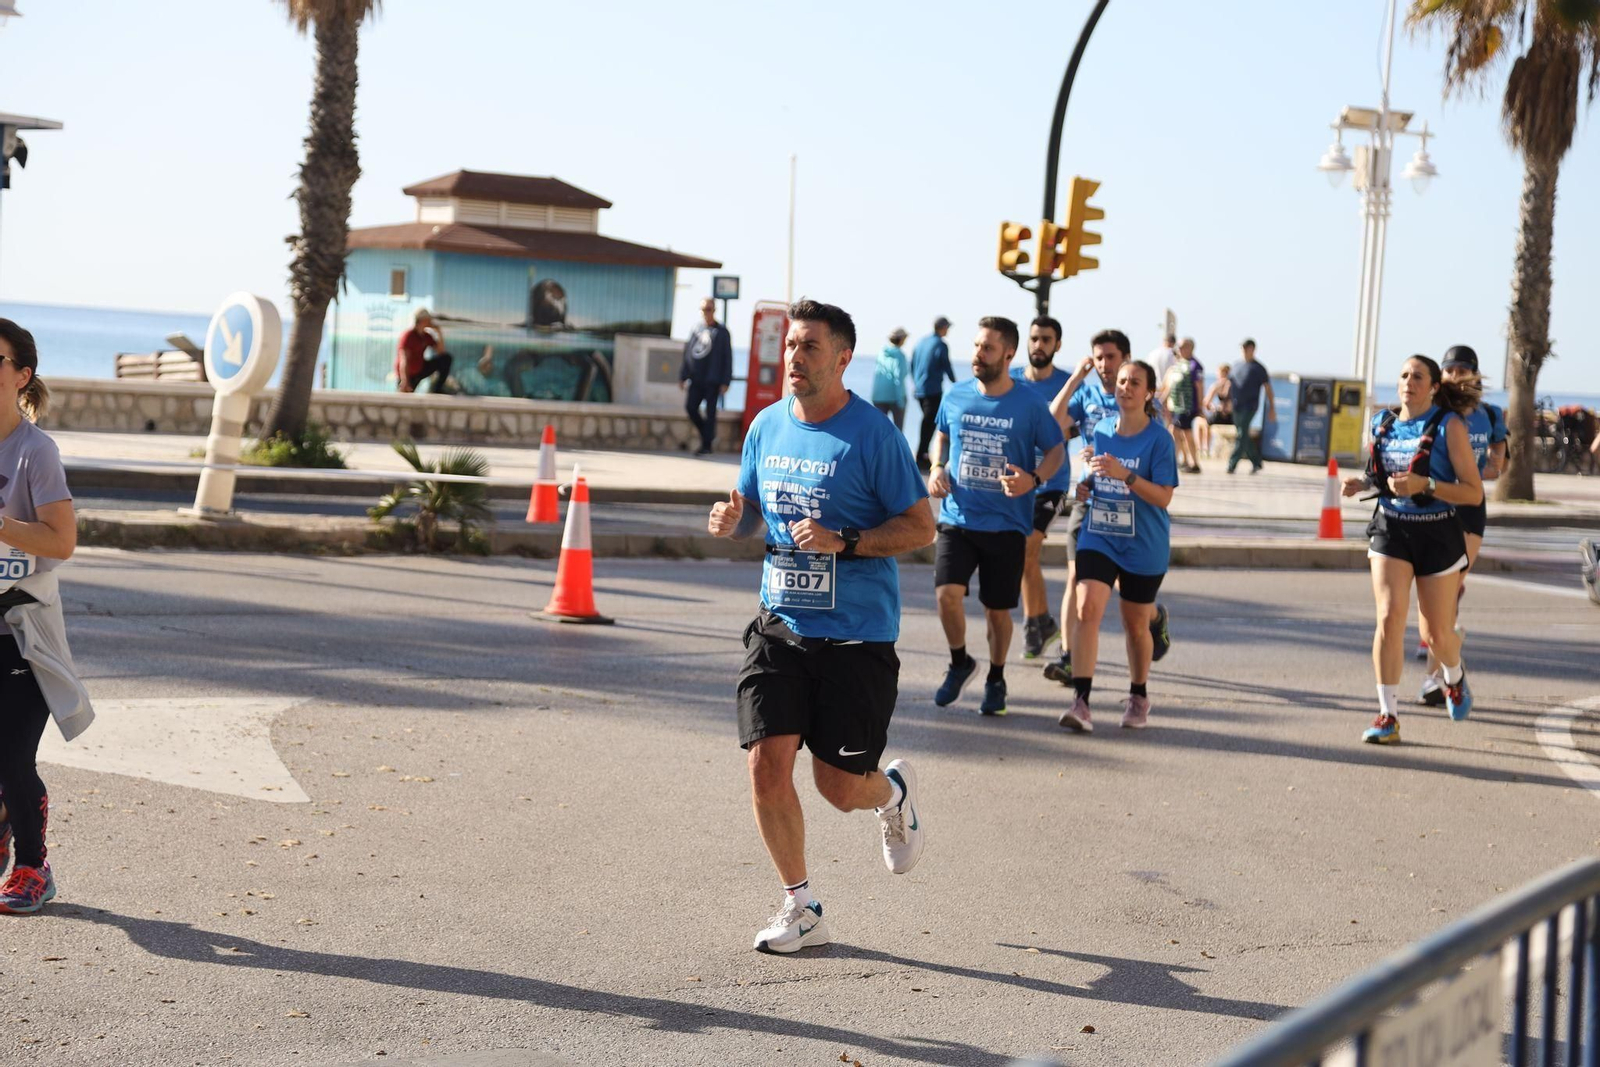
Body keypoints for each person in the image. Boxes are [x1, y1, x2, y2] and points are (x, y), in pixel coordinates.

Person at [707, 298, 935, 954]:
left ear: (842, 358)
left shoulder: (874, 435)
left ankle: (891, 792)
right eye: (790, 345)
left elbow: (922, 526)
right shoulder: (766, 425)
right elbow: (753, 511)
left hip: (856, 634)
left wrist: (847, 540)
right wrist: (735, 523)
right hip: (780, 623)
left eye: (809, 346)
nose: (795, 358)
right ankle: (801, 905)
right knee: (765, 765)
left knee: (837, 787)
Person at [1341, 354, 1483, 744]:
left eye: (1418, 376)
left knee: (1435, 634)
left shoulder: (1449, 425)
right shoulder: (1382, 424)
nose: (1408, 381)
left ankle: (1454, 677)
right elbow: (1380, 477)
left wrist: (1428, 486)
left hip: (1437, 533)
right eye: (1404, 375)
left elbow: (1473, 493)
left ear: (1434, 387)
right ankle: (1387, 715)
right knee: (1389, 617)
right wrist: (1361, 484)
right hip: (1391, 529)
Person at [928, 317, 1065, 716]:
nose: (978, 354)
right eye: (976, 346)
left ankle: (996, 677)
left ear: (1008, 354)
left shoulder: (1030, 404)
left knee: (997, 611)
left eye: (987, 348)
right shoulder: (956, 395)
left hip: (1007, 524)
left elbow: (1056, 450)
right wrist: (936, 467)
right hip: (958, 517)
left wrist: (1033, 479)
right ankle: (960, 662)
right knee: (946, 595)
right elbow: (942, 435)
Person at [0, 318, 89, 914]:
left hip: (20, 629)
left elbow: (61, 541)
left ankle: (33, 865)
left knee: (12, 757)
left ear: (21, 375)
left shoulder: (36, 452)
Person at [1042, 330, 1171, 688]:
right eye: (1098, 358)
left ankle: (1154, 616)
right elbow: (1052, 423)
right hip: (1092, 499)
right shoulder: (1087, 394)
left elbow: (1155, 454)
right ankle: (1071, 658)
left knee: (1131, 599)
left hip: (1135, 507)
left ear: (1126, 358)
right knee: (1079, 581)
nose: (1103, 364)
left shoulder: (1144, 403)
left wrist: (1122, 467)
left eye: (1110, 357)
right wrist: (1074, 379)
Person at [1057, 360, 1179, 733]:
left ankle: (1138, 695)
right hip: (1100, 533)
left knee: (1134, 622)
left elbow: (1163, 497)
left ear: (1149, 393)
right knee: (1087, 607)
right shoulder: (1102, 430)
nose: (1125, 387)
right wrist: (1084, 487)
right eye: (1122, 381)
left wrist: (1126, 475)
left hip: (1144, 542)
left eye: (1134, 382)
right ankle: (1081, 702)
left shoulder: (1159, 439)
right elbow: (1095, 474)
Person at [1418, 345, 1506, 704]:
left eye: (1462, 370)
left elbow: (1499, 456)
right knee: (1440, 593)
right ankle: (1446, 650)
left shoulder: (1490, 413)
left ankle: (1433, 678)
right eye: (1449, 370)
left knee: (1450, 587)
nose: (1456, 376)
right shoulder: (1434, 411)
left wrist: (1488, 469)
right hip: (1435, 506)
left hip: (1469, 508)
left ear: (1475, 374)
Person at [1010, 315, 1074, 659]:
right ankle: (1041, 623)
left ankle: (1034, 624)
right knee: (1025, 557)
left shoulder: (1068, 383)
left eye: (1046, 339)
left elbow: (1077, 425)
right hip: (1017, 481)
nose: (1038, 345)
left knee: (1025, 548)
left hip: (1052, 483)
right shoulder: (1011, 380)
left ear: (1057, 345)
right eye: (1034, 338)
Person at [679, 297, 734, 456]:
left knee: (710, 414)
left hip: (712, 380)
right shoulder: (696, 329)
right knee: (690, 408)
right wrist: (683, 376)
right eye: (703, 309)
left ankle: (706, 445)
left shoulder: (722, 332)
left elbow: (727, 357)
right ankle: (707, 435)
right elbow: (688, 353)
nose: (706, 313)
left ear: (714, 310)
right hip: (696, 378)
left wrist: (726, 381)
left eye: (709, 309)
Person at [911, 317, 955, 469]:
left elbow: (912, 364)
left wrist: (916, 382)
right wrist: (956, 385)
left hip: (920, 389)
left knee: (927, 422)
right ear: (942, 327)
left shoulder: (921, 342)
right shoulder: (941, 345)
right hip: (932, 389)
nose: (948, 330)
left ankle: (922, 454)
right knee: (929, 423)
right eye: (947, 327)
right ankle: (921, 456)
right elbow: (946, 365)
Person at [1227, 340, 1275, 474]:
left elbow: (1268, 388)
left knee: (1242, 433)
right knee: (1242, 434)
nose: (1243, 350)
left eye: (1245, 348)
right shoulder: (1236, 365)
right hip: (1236, 405)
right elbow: (1229, 384)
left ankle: (1231, 464)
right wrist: (1226, 402)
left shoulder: (1258, 368)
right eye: (1242, 347)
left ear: (1252, 349)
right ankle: (1256, 462)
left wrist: (1272, 408)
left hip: (1250, 406)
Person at [1159, 337, 1202, 474]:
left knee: (1181, 432)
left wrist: (1200, 407)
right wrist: (1161, 401)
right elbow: (1170, 386)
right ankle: (1183, 460)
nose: (1179, 349)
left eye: (1182, 347)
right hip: (1175, 407)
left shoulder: (1194, 366)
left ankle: (1190, 462)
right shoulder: (1177, 365)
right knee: (1177, 432)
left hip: (1187, 407)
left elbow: (1199, 387)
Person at [394, 308, 454, 394]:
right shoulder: (409, 336)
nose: (430, 321)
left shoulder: (426, 336)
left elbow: (441, 351)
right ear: (422, 320)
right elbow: (404, 360)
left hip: (419, 369)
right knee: (406, 396)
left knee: (446, 359)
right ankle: (405, 385)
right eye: (428, 319)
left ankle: (437, 390)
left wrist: (438, 332)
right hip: (408, 375)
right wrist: (405, 381)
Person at [872, 328, 911, 429]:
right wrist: (901, 401)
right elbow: (899, 378)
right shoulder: (900, 355)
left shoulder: (881, 353)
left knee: (879, 430)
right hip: (895, 397)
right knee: (898, 431)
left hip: (878, 396)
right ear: (901, 339)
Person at [1199, 362, 1234, 456]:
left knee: (1201, 423)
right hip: (1232, 417)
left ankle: (1205, 449)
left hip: (1220, 416)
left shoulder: (1218, 385)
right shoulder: (1234, 384)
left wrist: (1213, 407)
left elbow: (1206, 403)